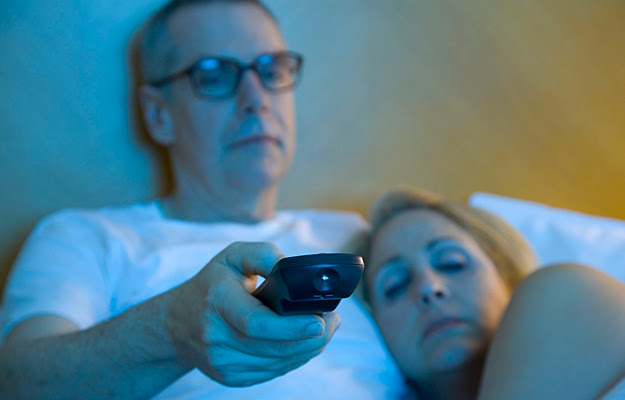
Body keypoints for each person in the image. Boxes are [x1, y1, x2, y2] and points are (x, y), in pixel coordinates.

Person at [0, 1, 405, 398]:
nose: (256, 98)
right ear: (159, 114)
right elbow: (16, 384)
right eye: (213, 74)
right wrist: (173, 329)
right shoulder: (83, 238)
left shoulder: (361, 237)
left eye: (271, 70)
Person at [352, 186, 625, 400]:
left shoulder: (569, 296)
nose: (428, 288)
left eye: (452, 263)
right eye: (395, 285)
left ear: (507, 275)